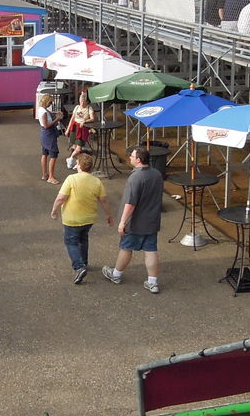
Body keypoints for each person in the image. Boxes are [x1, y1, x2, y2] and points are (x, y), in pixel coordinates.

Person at [102, 145, 165, 293]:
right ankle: (153, 282)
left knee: (126, 248)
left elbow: (130, 203)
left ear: (138, 160)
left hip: (135, 222)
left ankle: (116, 274)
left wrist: (122, 222)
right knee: (151, 250)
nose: (129, 157)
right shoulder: (156, 174)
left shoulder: (135, 178)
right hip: (151, 221)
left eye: (132, 156)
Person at [51, 152, 113, 285]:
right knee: (83, 239)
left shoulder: (71, 179)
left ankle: (79, 267)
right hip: (89, 219)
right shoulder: (96, 181)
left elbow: (61, 197)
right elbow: (104, 200)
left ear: (79, 165)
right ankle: (84, 262)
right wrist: (108, 215)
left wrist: (54, 209)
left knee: (71, 242)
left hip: (72, 219)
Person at [37, 93, 61, 184]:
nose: (51, 104)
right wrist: (56, 120)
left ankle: (44, 174)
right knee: (53, 156)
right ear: (47, 102)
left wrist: (55, 113)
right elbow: (46, 125)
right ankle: (51, 177)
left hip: (44, 135)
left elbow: (49, 113)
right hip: (49, 135)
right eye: (50, 102)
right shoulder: (44, 113)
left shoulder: (41, 109)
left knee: (44, 154)